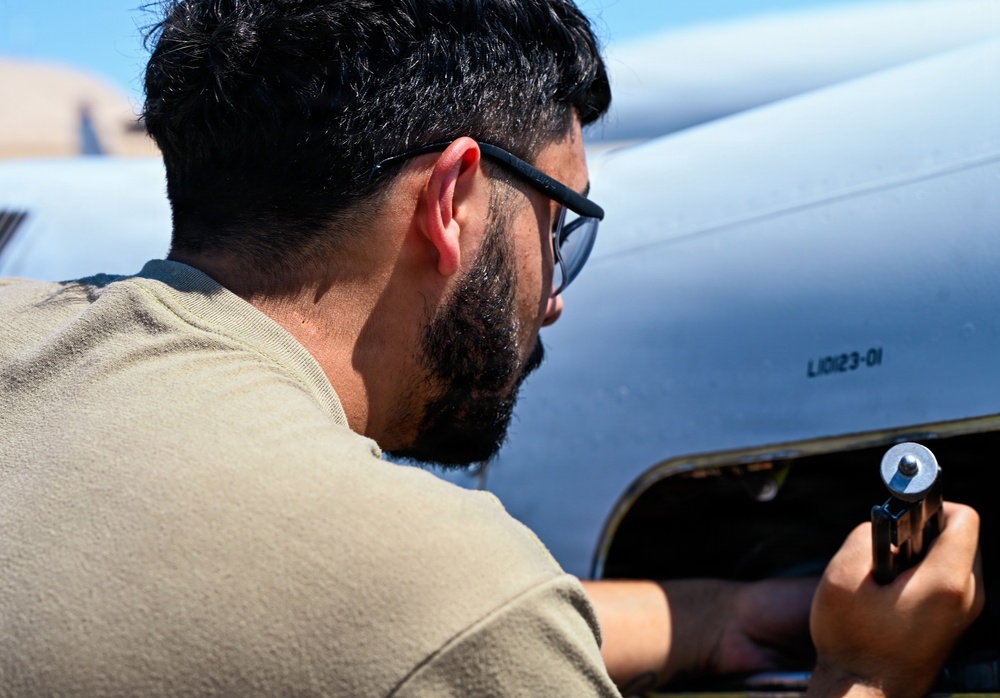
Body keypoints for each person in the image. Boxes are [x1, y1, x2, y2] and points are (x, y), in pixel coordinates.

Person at [0, 1, 983, 696]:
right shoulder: (446, 591)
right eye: (558, 222)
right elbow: (442, 619)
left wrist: (716, 614)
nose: (552, 298)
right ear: (452, 200)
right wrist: (868, 673)